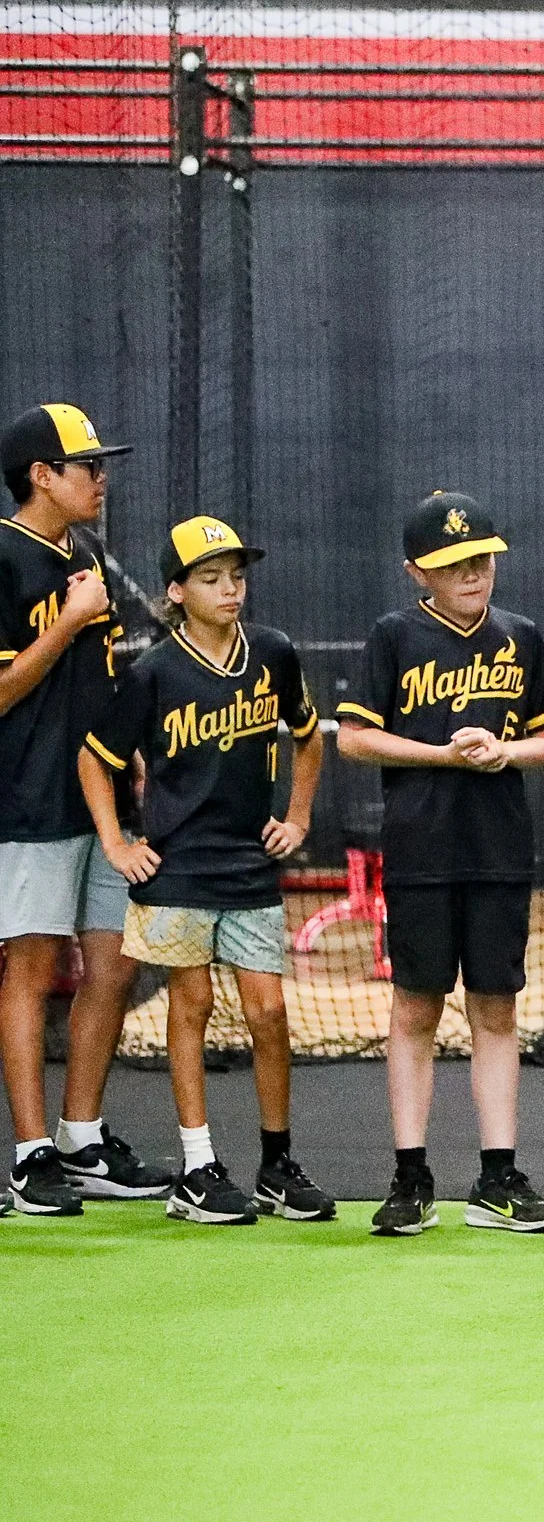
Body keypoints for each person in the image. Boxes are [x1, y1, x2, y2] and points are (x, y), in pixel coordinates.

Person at [78, 517, 332, 1223]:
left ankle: (277, 1165)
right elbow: (95, 759)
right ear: (176, 591)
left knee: (270, 1011)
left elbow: (309, 740)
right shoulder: (153, 671)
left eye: (237, 576)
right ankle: (198, 1168)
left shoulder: (274, 654)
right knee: (191, 1006)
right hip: (176, 868)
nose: (230, 589)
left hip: (248, 864)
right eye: (212, 578)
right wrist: (117, 843)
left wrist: (300, 817)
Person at [337, 492, 544, 1236]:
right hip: (421, 851)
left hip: (500, 850)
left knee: (497, 1009)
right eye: (453, 564)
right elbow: (352, 738)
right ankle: (411, 1177)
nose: (473, 574)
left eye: (481, 559)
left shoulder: (522, 637)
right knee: (415, 1007)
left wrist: (507, 751)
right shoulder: (395, 636)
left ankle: (497, 1179)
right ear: (419, 572)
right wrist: (441, 754)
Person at [0, 403, 171, 1218]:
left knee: (115, 962)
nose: (101, 479)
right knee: (32, 970)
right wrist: (67, 624)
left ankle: (81, 1137)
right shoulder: (3, 557)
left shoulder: (90, 553)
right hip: (27, 801)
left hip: (100, 802)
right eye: (87, 466)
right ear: (42, 475)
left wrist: (129, 754)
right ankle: (32, 1156)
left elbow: (102, 680)